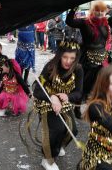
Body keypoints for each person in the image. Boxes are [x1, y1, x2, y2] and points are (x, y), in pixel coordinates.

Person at [65, 0, 112, 117]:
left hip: (102, 59)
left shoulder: (106, 22)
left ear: (105, 11)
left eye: (102, 11)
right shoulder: (85, 23)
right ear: (93, 11)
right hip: (87, 59)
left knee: (102, 85)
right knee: (83, 84)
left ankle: (98, 108)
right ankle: (77, 107)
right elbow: (69, 21)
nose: (100, 13)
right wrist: (75, 6)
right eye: (97, 10)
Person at [32, 41, 83, 170]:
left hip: (64, 103)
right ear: (59, 55)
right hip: (46, 102)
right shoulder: (50, 67)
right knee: (57, 129)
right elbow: (37, 90)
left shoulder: (78, 69)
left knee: (73, 130)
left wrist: (68, 96)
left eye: (72, 58)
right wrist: (52, 97)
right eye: (65, 57)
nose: (68, 61)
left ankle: (57, 145)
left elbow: (78, 93)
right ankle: (47, 159)